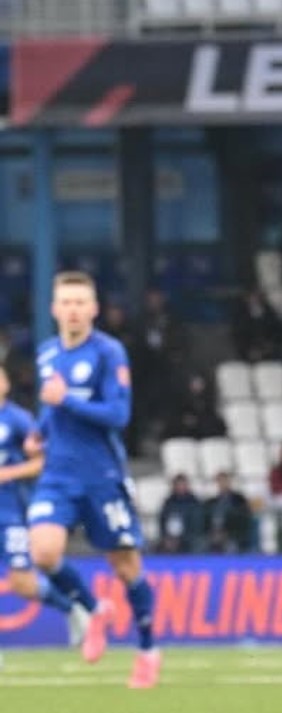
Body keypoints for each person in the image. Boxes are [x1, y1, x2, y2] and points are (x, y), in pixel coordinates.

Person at [27, 271, 159, 688]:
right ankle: (94, 608)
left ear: (94, 309)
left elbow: (118, 416)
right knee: (43, 553)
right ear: (54, 309)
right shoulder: (47, 353)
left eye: (80, 302)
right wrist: (39, 432)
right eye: (66, 302)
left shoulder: (108, 352)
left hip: (101, 474)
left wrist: (65, 399)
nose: (73, 310)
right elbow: (51, 409)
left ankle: (147, 649)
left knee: (126, 566)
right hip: (58, 473)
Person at [0, 366, 91, 645]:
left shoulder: (17, 419)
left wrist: (9, 473)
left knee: (22, 582)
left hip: (9, 511)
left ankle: (70, 607)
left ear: (6, 384)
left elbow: (42, 462)